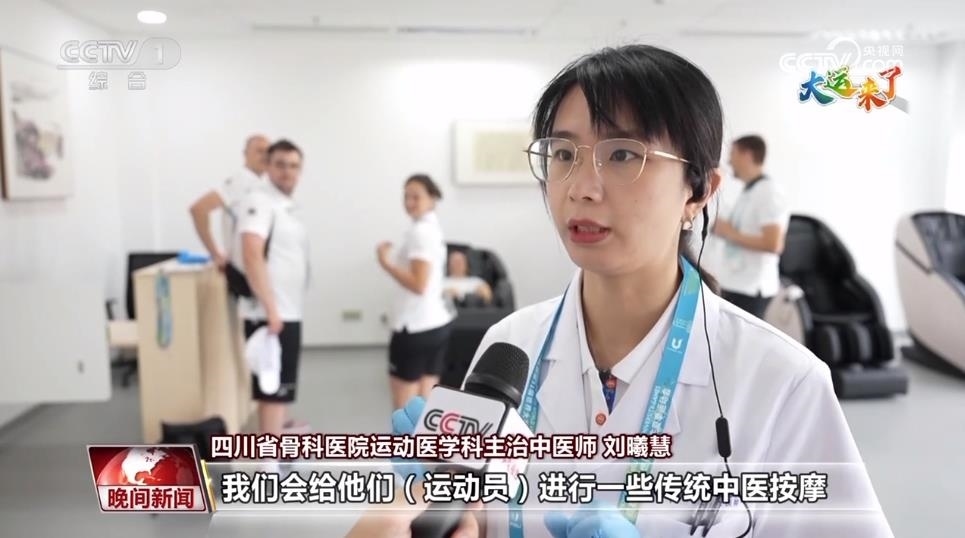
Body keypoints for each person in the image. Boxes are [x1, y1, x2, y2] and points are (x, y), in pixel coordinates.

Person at [395, 45, 892, 537]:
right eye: (564, 154)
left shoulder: (783, 381)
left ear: (699, 190)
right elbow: (482, 519)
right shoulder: (511, 345)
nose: (581, 187)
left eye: (623, 154)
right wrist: (442, 504)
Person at [238, 139, 309, 436]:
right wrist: (271, 310)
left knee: (280, 391)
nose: (287, 172)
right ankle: (269, 460)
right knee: (271, 393)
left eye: (293, 166)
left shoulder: (286, 206)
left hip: (287, 311)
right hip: (270, 314)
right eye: (280, 164)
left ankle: (275, 449)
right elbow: (251, 254)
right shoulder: (259, 200)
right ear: (267, 166)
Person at [377, 174, 455, 409]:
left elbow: (419, 284)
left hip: (413, 328)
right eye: (406, 196)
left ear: (432, 199)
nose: (409, 202)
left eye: (416, 196)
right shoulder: (432, 228)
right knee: (425, 406)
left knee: (404, 410)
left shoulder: (420, 232)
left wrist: (385, 263)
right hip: (435, 325)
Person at [712, 135, 790, 319]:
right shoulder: (751, 191)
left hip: (751, 290)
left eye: (733, 154)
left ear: (747, 155)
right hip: (737, 284)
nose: (729, 161)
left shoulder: (769, 192)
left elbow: (773, 244)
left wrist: (729, 232)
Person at [189, 134, 269, 271]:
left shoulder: (262, 185)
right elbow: (198, 209)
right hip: (243, 271)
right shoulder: (239, 181)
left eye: (268, 152)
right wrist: (215, 254)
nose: (265, 156)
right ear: (245, 154)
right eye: (259, 151)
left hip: (259, 268)